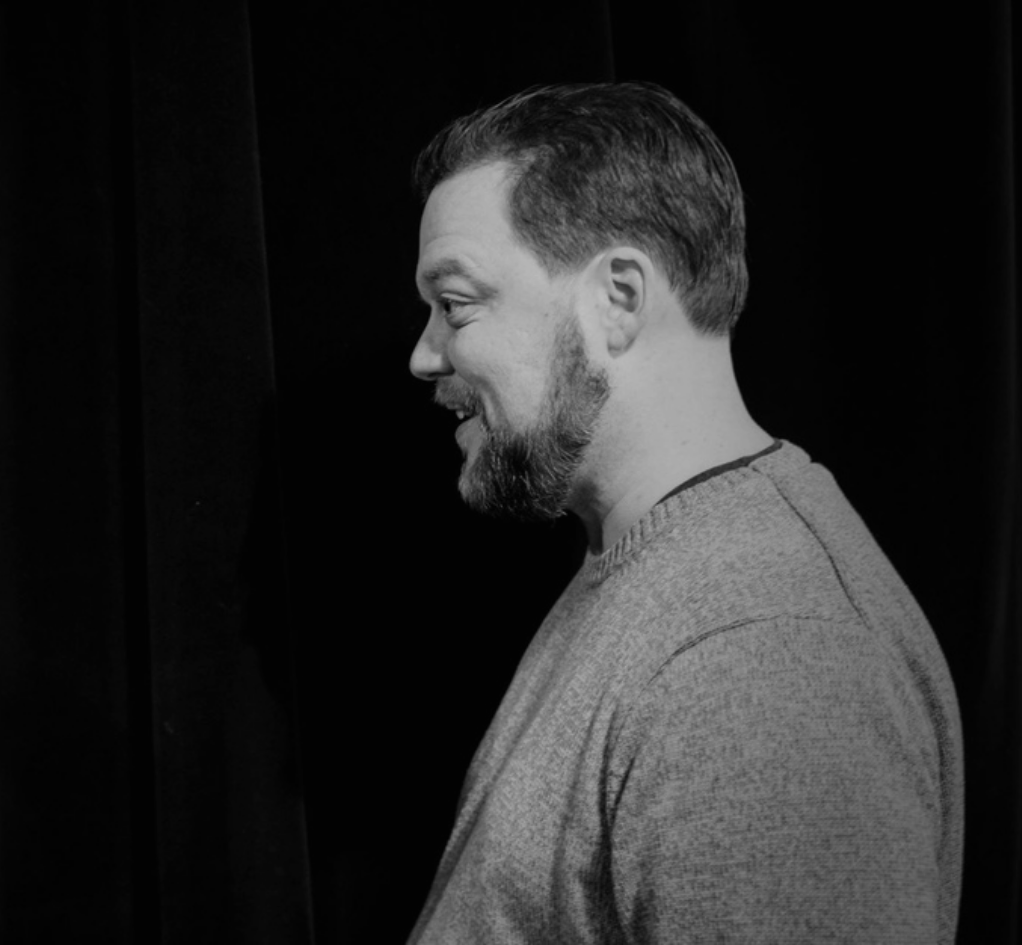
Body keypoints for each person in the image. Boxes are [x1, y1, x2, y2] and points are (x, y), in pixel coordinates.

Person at [403, 82, 962, 943]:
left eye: (457, 304)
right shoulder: (657, 567)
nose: (424, 354)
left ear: (619, 297)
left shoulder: (761, 657)